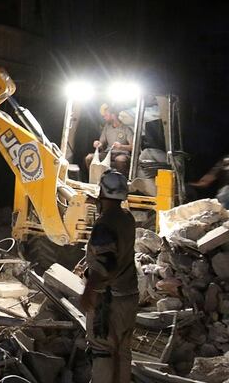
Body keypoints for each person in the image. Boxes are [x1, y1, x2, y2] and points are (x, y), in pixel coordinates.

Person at [81, 170, 138, 383]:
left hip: (108, 299)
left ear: (102, 191)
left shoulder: (104, 224)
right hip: (129, 295)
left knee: (102, 350)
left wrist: (88, 291)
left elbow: (105, 263)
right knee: (122, 350)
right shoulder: (127, 218)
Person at [85, 104, 134, 174]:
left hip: (122, 154)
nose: (104, 117)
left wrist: (121, 146)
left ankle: (120, 182)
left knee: (120, 160)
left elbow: (133, 147)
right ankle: (94, 180)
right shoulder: (107, 127)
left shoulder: (126, 129)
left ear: (113, 115)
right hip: (108, 153)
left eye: (105, 115)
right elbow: (102, 143)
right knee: (89, 158)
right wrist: (98, 144)